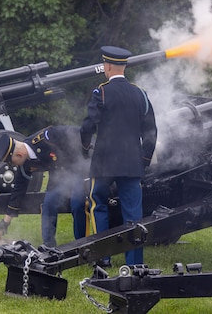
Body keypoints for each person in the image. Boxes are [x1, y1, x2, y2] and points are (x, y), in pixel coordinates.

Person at [80, 45, 157, 267]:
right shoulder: (140, 94)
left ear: (109, 66)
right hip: (133, 163)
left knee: (98, 205)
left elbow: (88, 125)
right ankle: (134, 264)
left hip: (104, 163)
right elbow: (151, 132)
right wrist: (144, 160)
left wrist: (85, 147)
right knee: (133, 214)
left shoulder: (101, 92)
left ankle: (102, 257)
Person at [0, 125, 88, 248]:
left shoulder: (48, 136)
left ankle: (81, 245)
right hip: (59, 176)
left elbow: (78, 134)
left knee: (77, 202)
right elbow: (19, 190)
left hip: (79, 169)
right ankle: (48, 246)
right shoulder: (25, 163)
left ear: (19, 154)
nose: (12, 165)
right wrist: (6, 222)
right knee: (48, 203)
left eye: (11, 162)